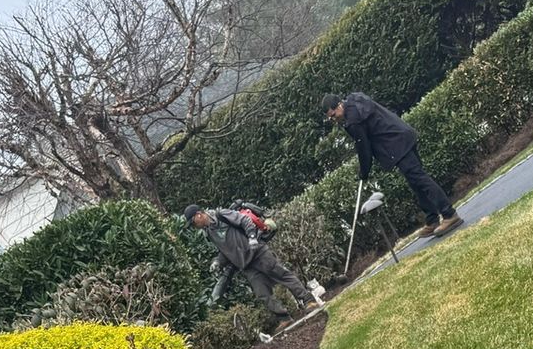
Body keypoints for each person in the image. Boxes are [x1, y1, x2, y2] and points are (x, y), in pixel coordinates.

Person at [324, 91, 462, 238]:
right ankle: (432, 219)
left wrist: (363, 173)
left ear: (339, 105)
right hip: (402, 136)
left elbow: (364, 148)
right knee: (415, 183)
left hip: (397, 145)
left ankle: (449, 214)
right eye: (330, 118)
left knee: (420, 180)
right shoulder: (357, 100)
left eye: (333, 115)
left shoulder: (354, 120)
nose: (334, 119)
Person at [184, 205, 320, 325]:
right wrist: (217, 262)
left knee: (282, 275)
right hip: (246, 265)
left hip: (258, 253)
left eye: (193, 222)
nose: (194, 226)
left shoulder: (222, 215)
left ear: (199, 215)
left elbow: (245, 220)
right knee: (262, 293)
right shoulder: (209, 232)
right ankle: (284, 317)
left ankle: (308, 300)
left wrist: (252, 238)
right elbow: (225, 251)